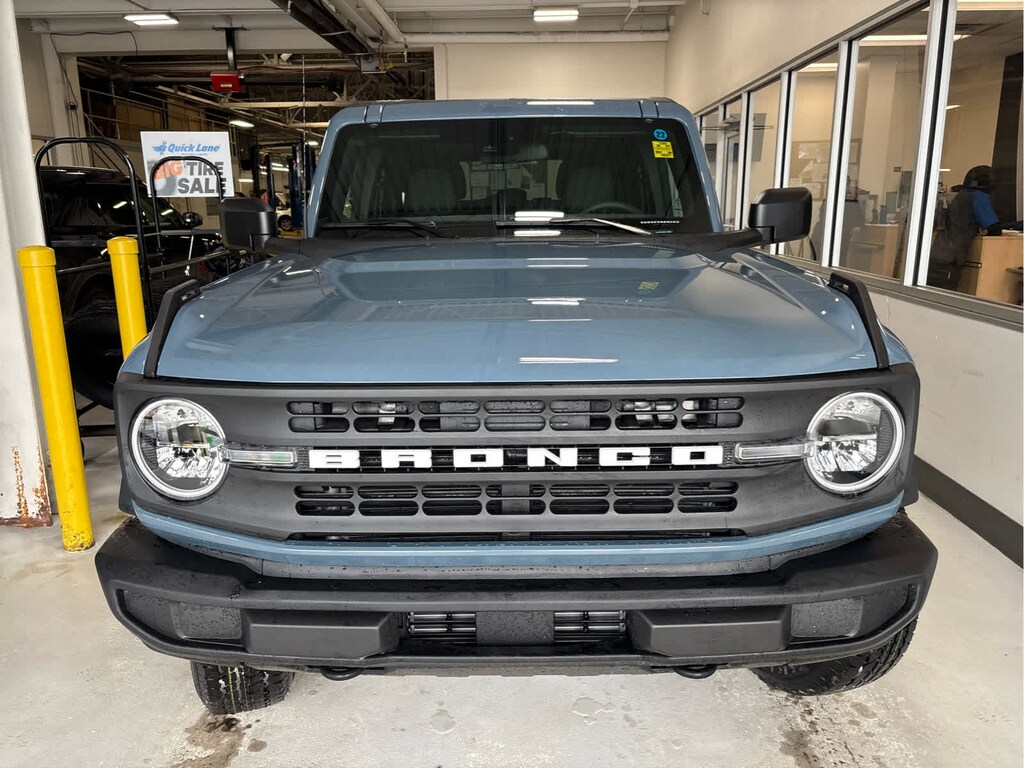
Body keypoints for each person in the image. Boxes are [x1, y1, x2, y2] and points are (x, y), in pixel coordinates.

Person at [930, 165, 1002, 290]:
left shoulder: (960, 195)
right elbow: (994, 227)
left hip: (938, 253)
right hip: (952, 258)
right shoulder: (979, 198)